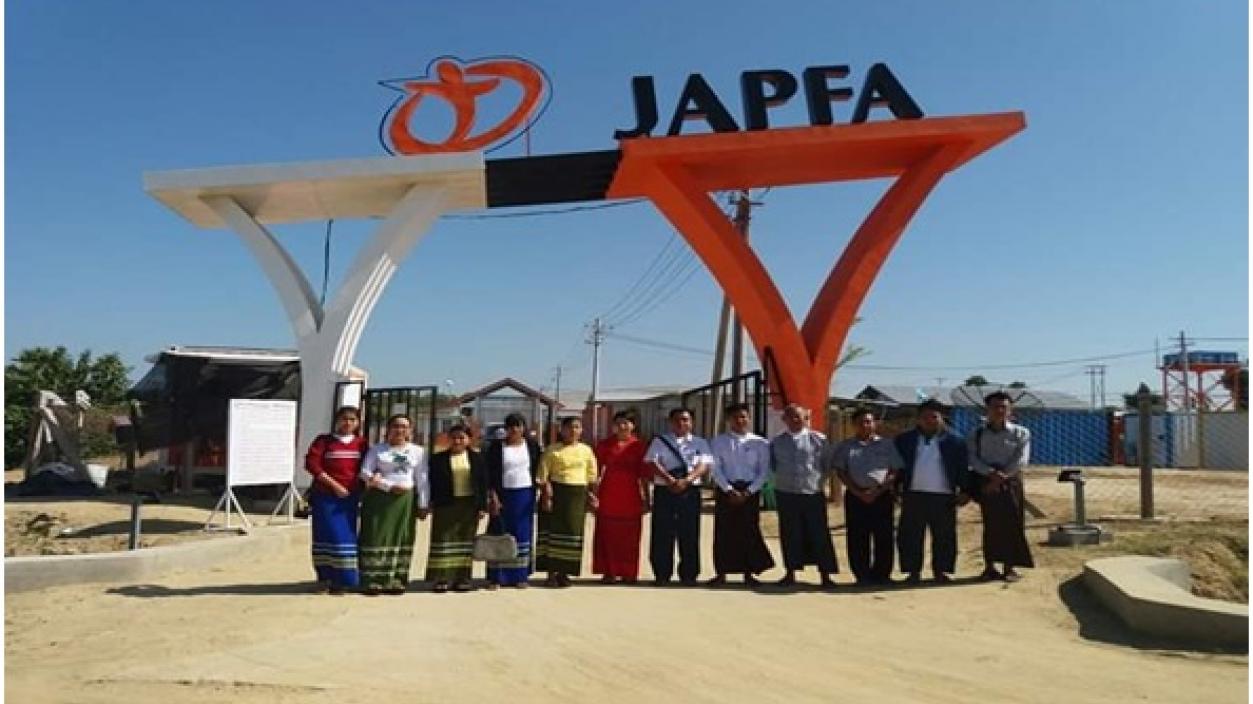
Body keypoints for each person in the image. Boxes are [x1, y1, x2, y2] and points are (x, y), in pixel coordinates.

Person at [894, 399, 973, 584]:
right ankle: (912, 572)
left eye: (934, 417)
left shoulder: (955, 441)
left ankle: (942, 571)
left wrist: (966, 490)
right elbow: (898, 467)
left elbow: (963, 468)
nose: (929, 421)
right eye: (925, 417)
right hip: (914, 494)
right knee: (910, 535)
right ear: (918, 419)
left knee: (944, 535)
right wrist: (895, 488)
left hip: (944, 496)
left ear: (941, 417)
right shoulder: (905, 440)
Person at [828, 408, 902, 586]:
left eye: (869, 421)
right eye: (861, 422)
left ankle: (882, 575)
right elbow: (841, 471)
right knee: (857, 537)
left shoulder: (887, 445)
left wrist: (878, 490)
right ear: (854, 425)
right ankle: (862, 575)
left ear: (875, 423)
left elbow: (894, 470)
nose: (865, 425)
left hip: (881, 496)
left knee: (884, 536)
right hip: (856, 496)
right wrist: (857, 491)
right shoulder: (846, 446)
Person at [358, 414, 429, 596]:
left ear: (410, 430)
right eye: (396, 426)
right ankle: (373, 579)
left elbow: (422, 478)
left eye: (404, 427)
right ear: (388, 429)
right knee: (377, 535)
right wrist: (387, 486)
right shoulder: (377, 450)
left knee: (401, 536)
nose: (400, 430)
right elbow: (365, 472)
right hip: (380, 499)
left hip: (405, 501)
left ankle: (396, 579)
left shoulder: (417, 451)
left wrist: (423, 503)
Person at [968, 391, 1035, 582]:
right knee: (990, 524)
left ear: (1010, 410)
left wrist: (1002, 476)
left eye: (1003, 407)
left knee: (1013, 523)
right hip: (986, 482)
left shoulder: (1021, 433)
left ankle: (1009, 567)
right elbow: (972, 458)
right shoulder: (976, 434)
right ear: (987, 409)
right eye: (994, 407)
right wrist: (990, 474)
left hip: (1011, 482)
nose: (999, 411)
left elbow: (1021, 459)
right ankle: (989, 567)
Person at [770, 404, 838, 588]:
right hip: (786, 493)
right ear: (784, 419)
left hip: (812, 493)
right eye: (791, 417)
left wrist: (817, 482)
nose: (795, 420)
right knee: (789, 533)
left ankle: (825, 575)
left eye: (799, 417)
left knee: (819, 533)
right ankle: (790, 573)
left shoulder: (818, 439)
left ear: (806, 418)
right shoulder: (777, 442)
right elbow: (774, 465)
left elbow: (827, 465)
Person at [645, 408, 714, 586]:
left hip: (690, 491)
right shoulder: (660, 441)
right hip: (664, 490)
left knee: (689, 533)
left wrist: (687, 480)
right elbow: (652, 461)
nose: (681, 423)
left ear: (692, 422)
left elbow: (704, 465)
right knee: (662, 533)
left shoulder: (700, 442)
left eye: (685, 420)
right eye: (677, 420)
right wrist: (669, 479)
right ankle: (662, 574)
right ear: (670, 422)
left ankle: (689, 574)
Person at [708, 403, 775, 586]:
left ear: (749, 418)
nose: (740, 420)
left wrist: (749, 491)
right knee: (723, 532)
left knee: (748, 531)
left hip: (750, 492)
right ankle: (721, 573)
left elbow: (764, 471)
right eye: (735, 417)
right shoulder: (718, 442)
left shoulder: (760, 443)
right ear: (728, 420)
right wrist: (728, 489)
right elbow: (715, 468)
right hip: (726, 490)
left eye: (743, 417)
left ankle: (748, 573)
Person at [303, 406, 368, 595]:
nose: (348, 423)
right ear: (337, 420)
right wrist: (334, 485)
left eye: (352, 419)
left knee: (344, 537)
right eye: (344, 418)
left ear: (358, 423)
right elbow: (312, 464)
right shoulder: (324, 441)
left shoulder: (361, 444)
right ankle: (324, 578)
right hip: (326, 497)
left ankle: (344, 580)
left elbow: (368, 467)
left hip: (349, 498)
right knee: (325, 535)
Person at [535, 417, 599, 587]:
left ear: (581, 430)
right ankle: (551, 574)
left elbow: (592, 476)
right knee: (551, 533)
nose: (573, 431)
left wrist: (592, 496)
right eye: (569, 427)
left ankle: (565, 574)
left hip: (577, 496)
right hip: (556, 494)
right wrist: (546, 496)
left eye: (577, 427)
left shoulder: (586, 450)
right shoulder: (552, 450)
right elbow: (542, 476)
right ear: (562, 430)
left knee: (572, 534)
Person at [426, 424, 489, 593]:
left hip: (468, 505)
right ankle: (441, 578)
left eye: (462, 438)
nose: (458, 441)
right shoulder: (438, 459)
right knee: (443, 540)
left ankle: (463, 578)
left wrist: (482, 506)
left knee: (465, 541)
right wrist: (428, 502)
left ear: (469, 439)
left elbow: (483, 484)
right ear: (449, 439)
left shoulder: (477, 459)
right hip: (445, 504)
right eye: (454, 437)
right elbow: (430, 482)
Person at [591, 409, 651, 584]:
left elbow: (644, 475)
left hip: (631, 497)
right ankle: (609, 571)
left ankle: (628, 572)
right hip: (608, 495)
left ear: (633, 425)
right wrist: (593, 496)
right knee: (607, 535)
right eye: (618, 423)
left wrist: (647, 499)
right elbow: (595, 473)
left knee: (630, 538)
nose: (622, 426)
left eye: (626, 423)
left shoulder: (639, 446)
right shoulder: (604, 445)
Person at [484, 413, 542, 589]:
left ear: (524, 428)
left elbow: (539, 468)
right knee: (499, 531)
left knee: (522, 533)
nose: (515, 429)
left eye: (518, 426)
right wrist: (492, 495)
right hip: (503, 495)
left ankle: (520, 576)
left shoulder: (532, 446)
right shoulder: (496, 447)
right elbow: (488, 473)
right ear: (506, 429)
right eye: (511, 426)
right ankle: (496, 577)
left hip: (524, 495)